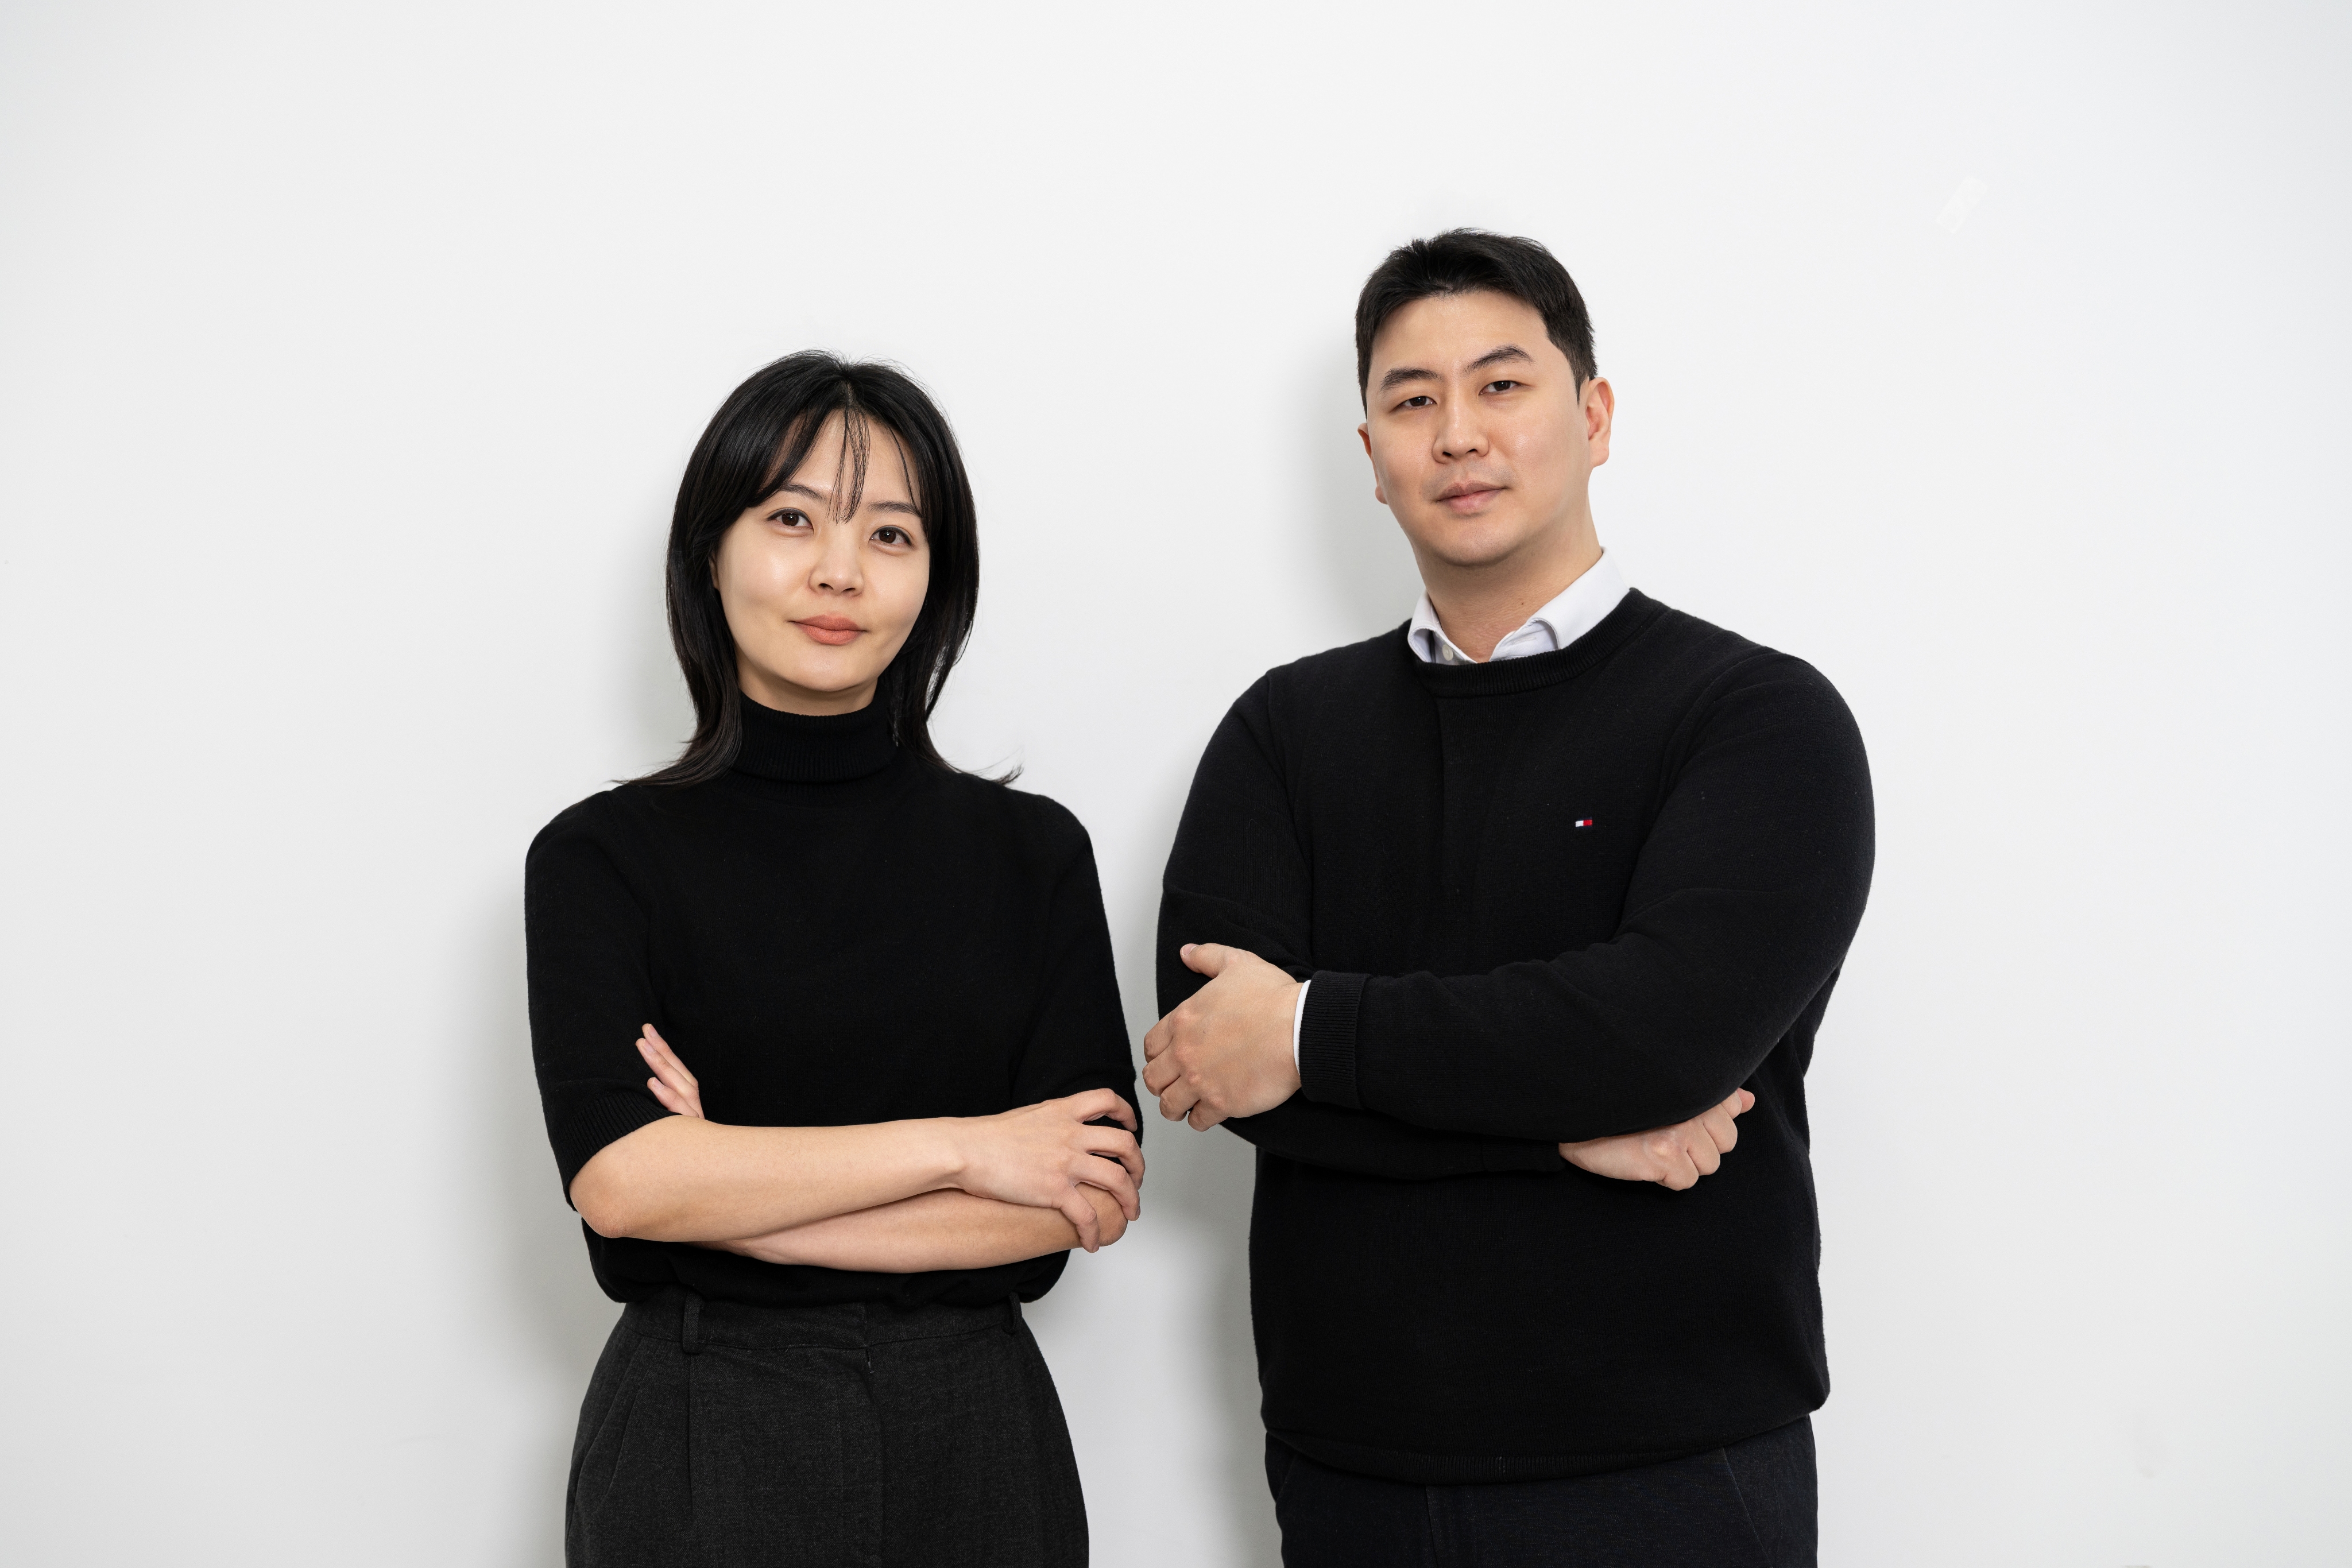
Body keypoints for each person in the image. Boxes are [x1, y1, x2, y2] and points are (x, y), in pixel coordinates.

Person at [1142, 230, 1874, 1567]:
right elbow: (1212, 1062)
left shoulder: (1755, 719)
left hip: (1671, 1466)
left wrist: (1306, 1031)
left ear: (1593, 418)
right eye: (1410, 400)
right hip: (1353, 1468)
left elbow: (1659, 1034)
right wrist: (1565, 1133)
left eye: (1500, 385)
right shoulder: (1283, 734)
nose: (1456, 434)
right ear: (1369, 456)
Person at [525, 352, 1140, 1567]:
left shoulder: (1031, 855)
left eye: (891, 534)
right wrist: (968, 1149)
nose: (839, 571)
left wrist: (731, 1196)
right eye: (792, 519)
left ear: (937, 576)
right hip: (704, 1419)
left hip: (978, 1434)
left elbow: (1079, 1200)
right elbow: (624, 1188)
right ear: (710, 552)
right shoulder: (601, 859)